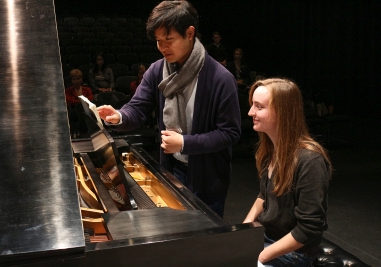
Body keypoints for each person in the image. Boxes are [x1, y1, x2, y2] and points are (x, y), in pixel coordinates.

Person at [97, 0, 241, 217]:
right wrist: (118, 116)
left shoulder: (220, 78)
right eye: (158, 41)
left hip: (208, 176)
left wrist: (184, 143)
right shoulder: (157, 70)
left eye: (169, 39)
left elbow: (230, 133)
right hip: (171, 169)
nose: (162, 47)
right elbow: (137, 108)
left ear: (190, 33)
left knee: (205, 244)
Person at [243, 78, 332, 266]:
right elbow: (264, 195)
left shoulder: (310, 161)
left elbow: (309, 229)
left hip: (296, 253)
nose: (251, 112)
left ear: (282, 112)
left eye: (259, 107)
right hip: (267, 239)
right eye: (252, 106)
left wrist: (260, 256)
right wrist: (245, 229)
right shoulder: (270, 149)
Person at [65, 69, 94, 138]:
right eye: (74, 79)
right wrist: (81, 102)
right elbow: (69, 101)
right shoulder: (68, 90)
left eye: (78, 79)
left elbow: (90, 99)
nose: (76, 81)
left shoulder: (87, 89)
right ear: (71, 80)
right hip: (73, 110)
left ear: (81, 79)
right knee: (79, 110)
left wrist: (79, 102)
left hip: (86, 109)